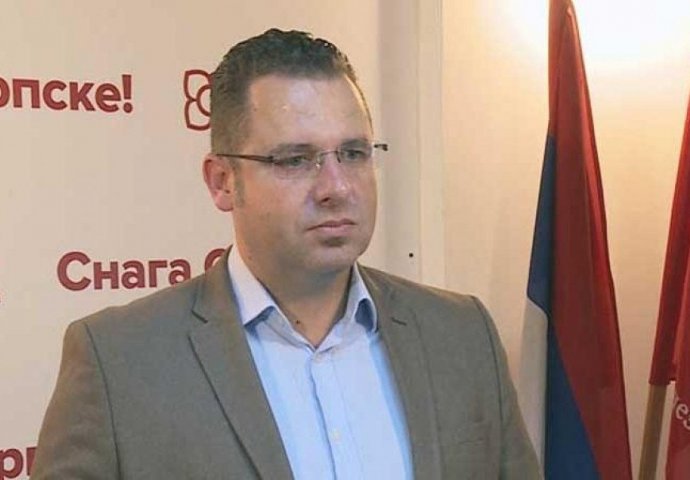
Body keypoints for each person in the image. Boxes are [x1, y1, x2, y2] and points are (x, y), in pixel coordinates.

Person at [31, 28, 540, 479]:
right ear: (222, 181)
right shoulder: (119, 360)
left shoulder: (461, 333)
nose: (337, 187)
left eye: (353, 153)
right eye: (296, 159)